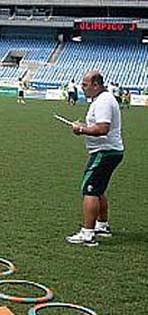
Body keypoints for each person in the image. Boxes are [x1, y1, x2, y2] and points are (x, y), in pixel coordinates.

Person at [66, 71, 124, 247]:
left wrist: (81, 130)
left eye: (85, 85)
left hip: (105, 151)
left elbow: (102, 128)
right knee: (98, 189)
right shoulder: (102, 99)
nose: (82, 88)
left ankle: (88, 233)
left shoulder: (104, 102)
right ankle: (102, 225)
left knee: (89, 189)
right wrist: (84, 126)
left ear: (96, 85)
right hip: (110, 151)